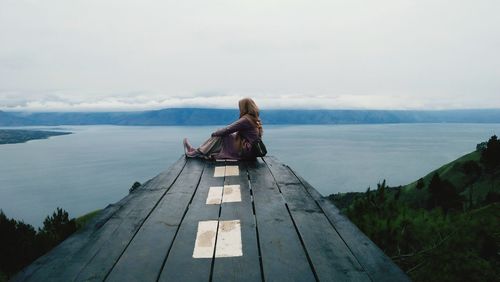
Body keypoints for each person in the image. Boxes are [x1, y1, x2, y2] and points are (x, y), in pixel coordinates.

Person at [183, 98, 263, 160]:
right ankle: (197, 151)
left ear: (244, 108)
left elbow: (228, 129)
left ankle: (196, 152)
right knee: (222, 134)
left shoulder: (246, 120)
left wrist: (214, 134)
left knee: (220, 134)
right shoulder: (253, 118)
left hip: (246, 151)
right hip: (251, 151)